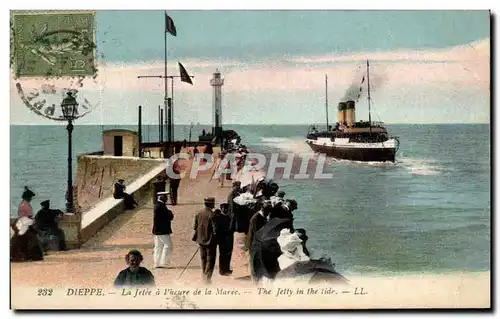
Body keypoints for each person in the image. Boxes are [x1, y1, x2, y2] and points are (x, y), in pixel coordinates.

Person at [193, 197, 218, 284]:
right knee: (210, 260)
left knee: (203, 259)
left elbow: (195, 227)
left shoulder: (199, 213)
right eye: (213, 203)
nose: (214, 204)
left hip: (200, 240)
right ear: (210, 204)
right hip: (210, 242)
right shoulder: (212, 215)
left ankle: (204, 276)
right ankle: (207, 279)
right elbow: (215, 231)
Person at [152, 192, 174, 269]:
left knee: (158, 246)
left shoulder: (158, 205)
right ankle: (165, 263)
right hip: (162, 230)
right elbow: (169, 215)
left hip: (157, 230)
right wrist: (170, 213)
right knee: (168, 246)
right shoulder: (161, 206)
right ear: (162, 197)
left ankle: (157, 263)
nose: (167, 199)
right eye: (165, 197)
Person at [215, 203, 233, 276]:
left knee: (228, 255)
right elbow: (218, 229)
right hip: (222, 239)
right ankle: (222, 270)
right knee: (222, 255)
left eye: (227, 208)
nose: (225, 210)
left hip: (229, 239)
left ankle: (227, 269)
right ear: (221, 208)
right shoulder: (219, 217)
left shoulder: (229, 217)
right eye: (224, 208)